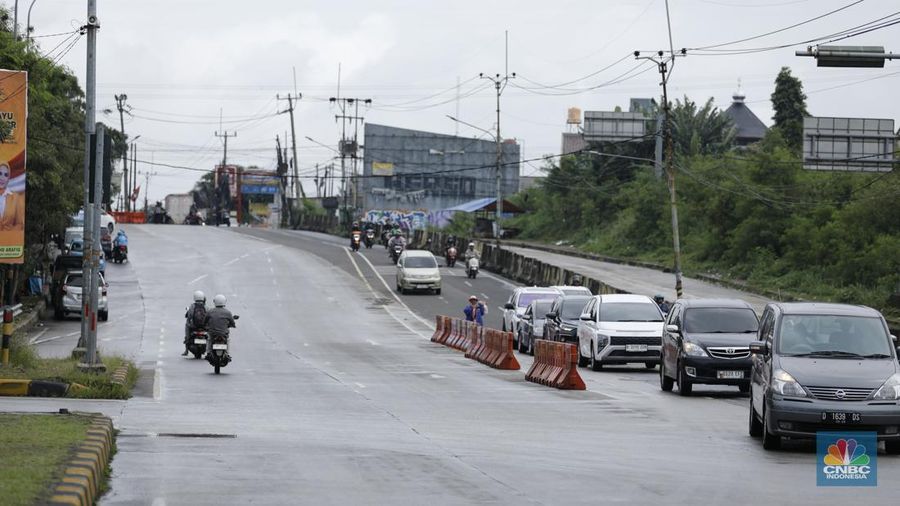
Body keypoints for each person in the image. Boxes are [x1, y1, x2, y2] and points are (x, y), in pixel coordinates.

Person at [0, 162, 25, 231]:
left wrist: (9, 234)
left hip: (10, 237)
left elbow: (20, 224)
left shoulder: (16, 198)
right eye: (0, 173)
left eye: (6, 175)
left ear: (8, 178)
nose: (2, 178)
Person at [182, 291, 208, 356]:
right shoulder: (206, 307)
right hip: (204, 327)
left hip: (194, 326)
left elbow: (189, 316)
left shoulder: (192, 306)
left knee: (187, 325)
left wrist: (189, 321)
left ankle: (186, 350)